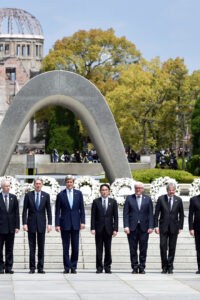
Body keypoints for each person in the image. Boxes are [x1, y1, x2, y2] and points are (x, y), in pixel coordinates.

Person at [55, 175, 85, 274]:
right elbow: (57, 211)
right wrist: (57, 224)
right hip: (65, 224)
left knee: (75, 247)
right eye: (67, 182)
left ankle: (73, 266)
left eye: (71, 182)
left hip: (76, 223)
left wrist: (83, 221)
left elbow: (82, 209)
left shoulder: (78, 194)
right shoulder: (60, 195)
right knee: (65, 247)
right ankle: (67, 267)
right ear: (65, 183)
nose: (69, 183)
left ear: (73, 183)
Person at [22, 178, 52, 274]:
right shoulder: (28, 195)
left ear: (42, 185)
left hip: (41, 224)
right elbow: (24, 211)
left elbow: (49, 211)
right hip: (31, 224)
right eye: (36, 183)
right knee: (32, 247)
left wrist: (49, 224)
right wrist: (24, 223)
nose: (38, 185)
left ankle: (40, 267)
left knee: (41, 247)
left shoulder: (46, 196)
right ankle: (32, 267)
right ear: (34, 185)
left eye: (39, 183)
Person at [123, 182, 154, 274]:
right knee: (133, 248)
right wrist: (126, 226)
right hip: (132, 228)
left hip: (144, 228)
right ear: (134, 189)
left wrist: (151, 226)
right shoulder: (129, 198)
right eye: (136, 188)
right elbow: (126, 214)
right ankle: (134, 267)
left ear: (143, 189)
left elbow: (151, 214)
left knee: (143, 248)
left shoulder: (147, 199)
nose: (138, 190)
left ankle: (142, 267)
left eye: (140, 188)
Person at [154, 182, 184, 274]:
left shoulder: (178, 200)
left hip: (174, 228)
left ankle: (170, 266)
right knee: (163, 246)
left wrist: (180, 227)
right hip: (163, 227)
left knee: (172, 247)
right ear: (167, 190)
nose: (172, 192)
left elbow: (181, 215)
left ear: (175, 190)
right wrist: (156, 226)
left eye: (173, 190)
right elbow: (156, 214)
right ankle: (164, 267)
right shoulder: (161, 199)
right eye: (170, 190)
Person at [91, 184, 118, 274]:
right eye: (102, 190)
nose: (104, 191)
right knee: (99, 249)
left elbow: (116, 217)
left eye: (106, 190)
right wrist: (92, 228)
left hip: (109, 229)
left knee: (108, 249)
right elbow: (93, 216)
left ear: (109, 191)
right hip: (98, 229)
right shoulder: (96, 202)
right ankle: (99, 267)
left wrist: (115, 229)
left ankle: (107, 267)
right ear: (100, 191)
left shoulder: (113, 202)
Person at [0, 179, 20, 274]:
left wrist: (17, 226)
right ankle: (0, 267)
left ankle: (8, 267)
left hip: (10, 228)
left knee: (9, 249)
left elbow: (16, 212)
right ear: (2, 187)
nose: (8, 188)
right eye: (6, 186)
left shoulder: (13, 197)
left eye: (9, 186)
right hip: (0, 228)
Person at [188, 187, 200, 274]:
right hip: (197, 228)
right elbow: (190, 214)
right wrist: (191, 228)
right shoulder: (194, 200)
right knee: (199, 248)